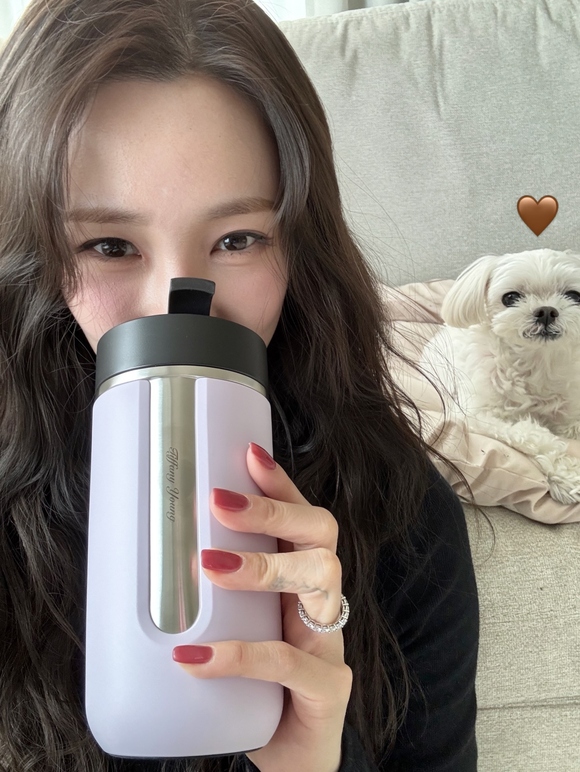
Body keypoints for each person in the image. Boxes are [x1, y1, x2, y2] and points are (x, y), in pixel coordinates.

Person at [0, 0, 488, 770]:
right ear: (39, 257)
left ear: (299, 247)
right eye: (109, 245)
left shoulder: (405, 519)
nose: (179, 303)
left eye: (237, 238)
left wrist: (315, 758)